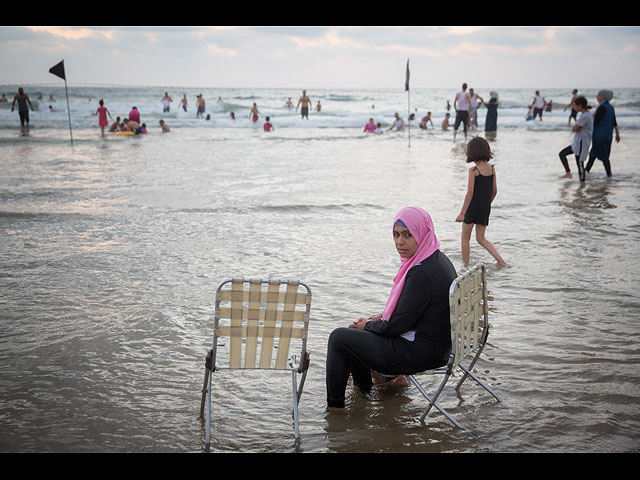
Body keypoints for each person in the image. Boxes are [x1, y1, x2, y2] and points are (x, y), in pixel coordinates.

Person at [325, 207, 457, 410]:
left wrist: (368, 325)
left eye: (407, 234)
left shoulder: (421, 273)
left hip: (420, 353)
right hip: (437, 346)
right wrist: (375, 320)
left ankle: (335, 409)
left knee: (339, 338)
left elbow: (394, 327)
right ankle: (364, 390)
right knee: (352, 335)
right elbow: (413, 311)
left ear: (421, 233)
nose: (400, 242)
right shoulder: (436, 258)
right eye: (396, 235)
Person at [455, 137, 508, 268]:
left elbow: (470, 193)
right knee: (481, 238)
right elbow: (495, 191)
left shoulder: (474, 171)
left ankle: (465, 266)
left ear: (471, 152)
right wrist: (486, 204)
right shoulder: (492, 169)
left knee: (465, 238)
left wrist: (462, 213)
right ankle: (501, 261)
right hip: (485, 208)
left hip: (472, 208)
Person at [585, 89, 620, 178]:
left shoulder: (602, 107)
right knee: (593, 154)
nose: (597, 97)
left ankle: (609, 175)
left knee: (602, 156)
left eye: (598, 95)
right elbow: (614, 122)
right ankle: (586, 171)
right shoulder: (610, 107)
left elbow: (596, 121)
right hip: (607, 135)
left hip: (599, 136)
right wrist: (617, 134)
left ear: (603, 97)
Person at [557, 96, 592, 181]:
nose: (574, 107)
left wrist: (574, 128)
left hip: (581, 142)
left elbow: (575, 128)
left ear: (580, 106)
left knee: (579, 163)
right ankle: (568, 173)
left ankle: (582, 182)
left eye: (575, 105)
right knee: (562, 154)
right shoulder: (586, 114)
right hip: (577, 143)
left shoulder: (585, 116)